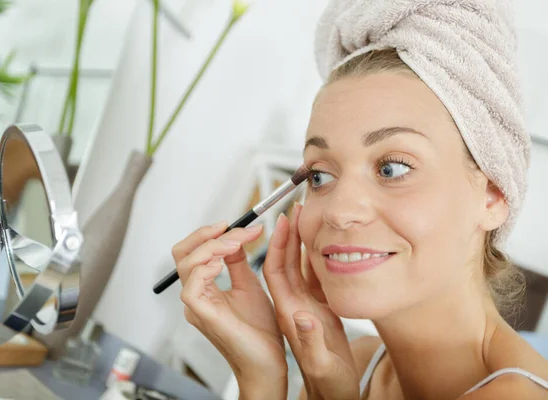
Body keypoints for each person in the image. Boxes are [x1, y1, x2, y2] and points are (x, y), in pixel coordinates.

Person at [171, 1, 548, 398]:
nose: (339, 211)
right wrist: (261, 375)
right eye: (320, 175)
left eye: (392, 169)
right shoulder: (353, 365)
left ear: (493, 196)